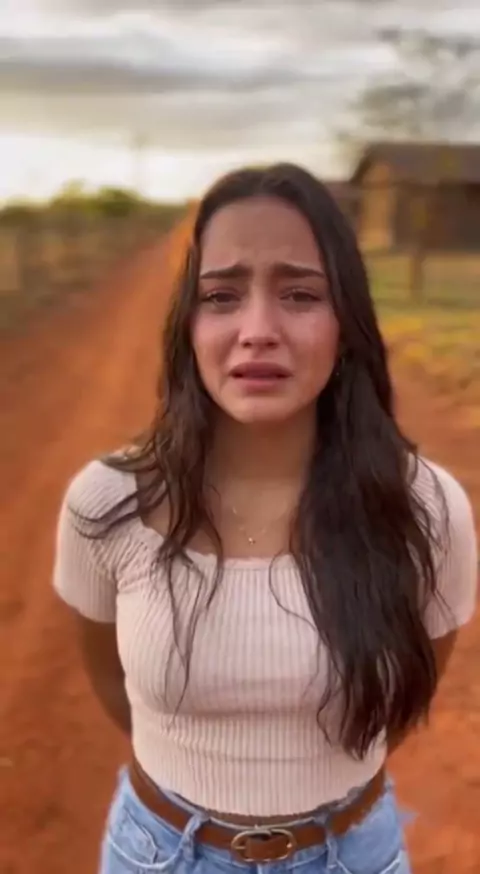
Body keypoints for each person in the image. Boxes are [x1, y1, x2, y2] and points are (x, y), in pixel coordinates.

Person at [52, 163, 478, 874]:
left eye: (300, 294)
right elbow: (115, 688)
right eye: (221, 296)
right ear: (188, 326)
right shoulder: (108, 503)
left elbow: (408, 695)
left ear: (347, 324)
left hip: (355, 855)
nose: (258, 331)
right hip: (158, 854)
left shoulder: (426, 508)